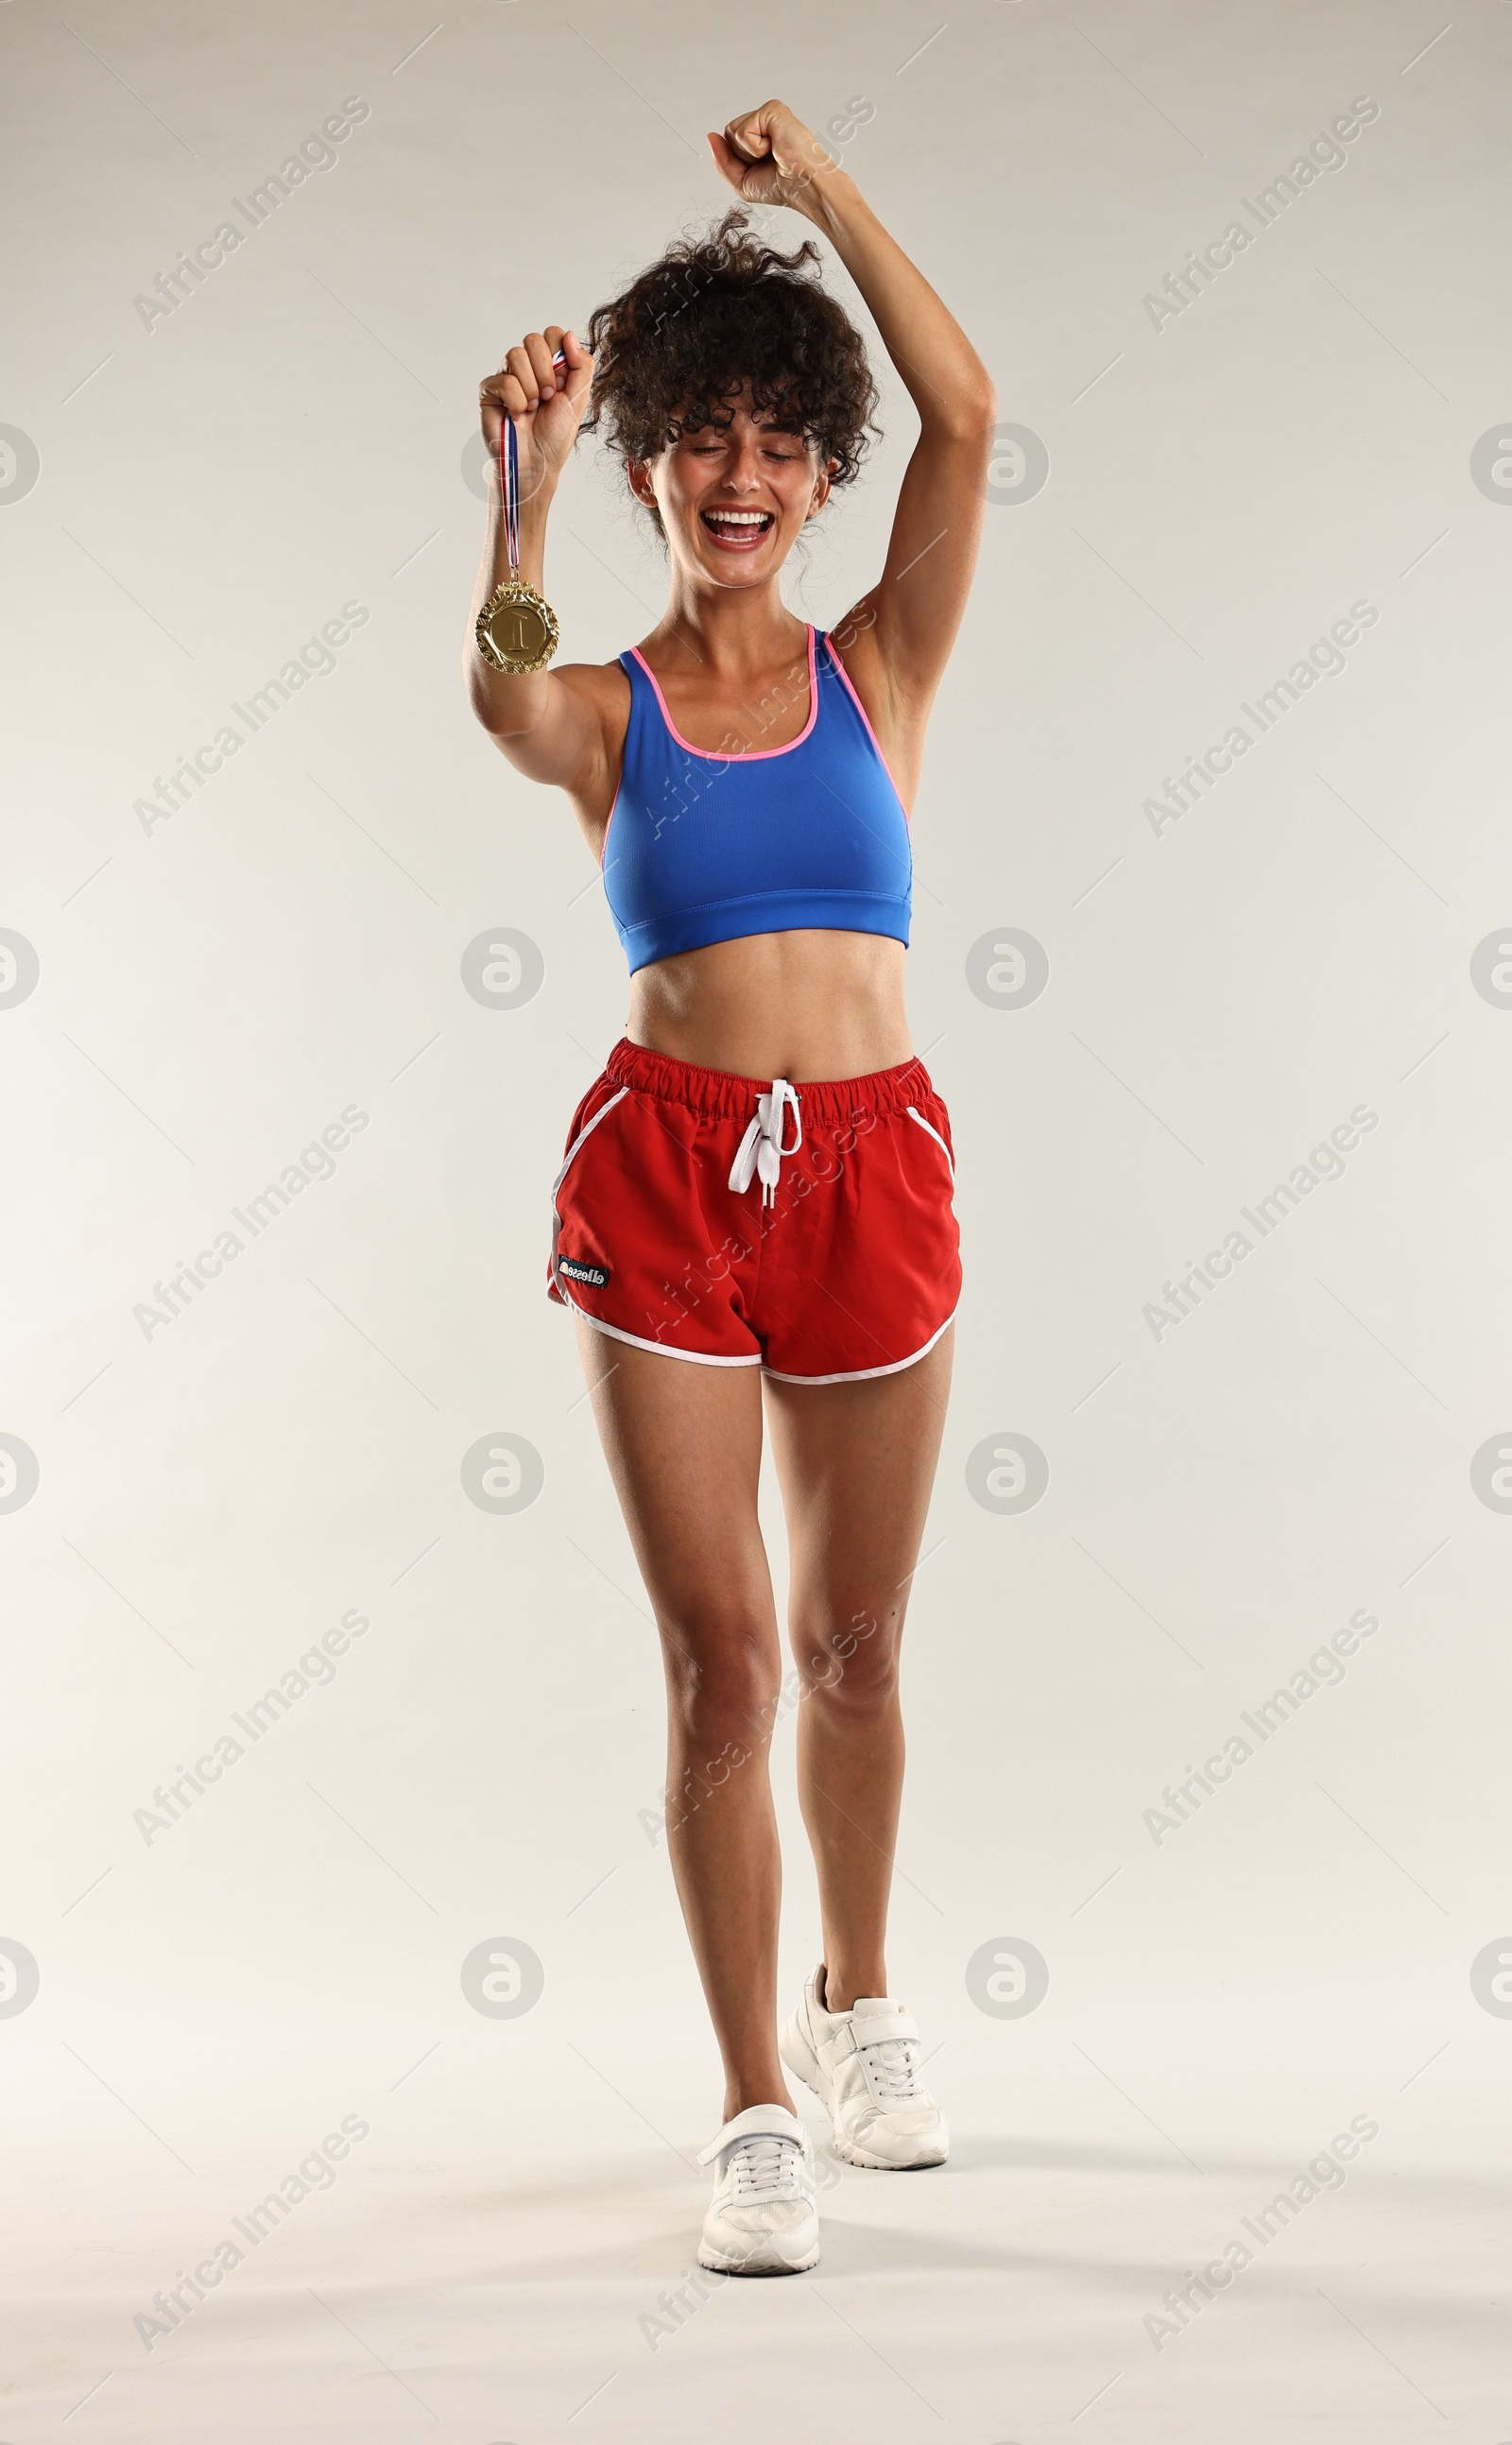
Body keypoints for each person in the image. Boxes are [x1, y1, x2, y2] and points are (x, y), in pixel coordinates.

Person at [467, 98, 994, 2275]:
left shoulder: (880, 668)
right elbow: (497, 687)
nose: (746, 471)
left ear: (816, 467)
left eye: (783, 436)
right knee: (720, 1665)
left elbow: (969, 413)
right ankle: (752, 2104)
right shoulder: (601, 706)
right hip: (668, 1182)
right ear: (657, 464)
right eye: (703, 435)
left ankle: (856, 2003)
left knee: (854, 1647)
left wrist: (815, 198)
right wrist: (505, 492)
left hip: (870, 1168)